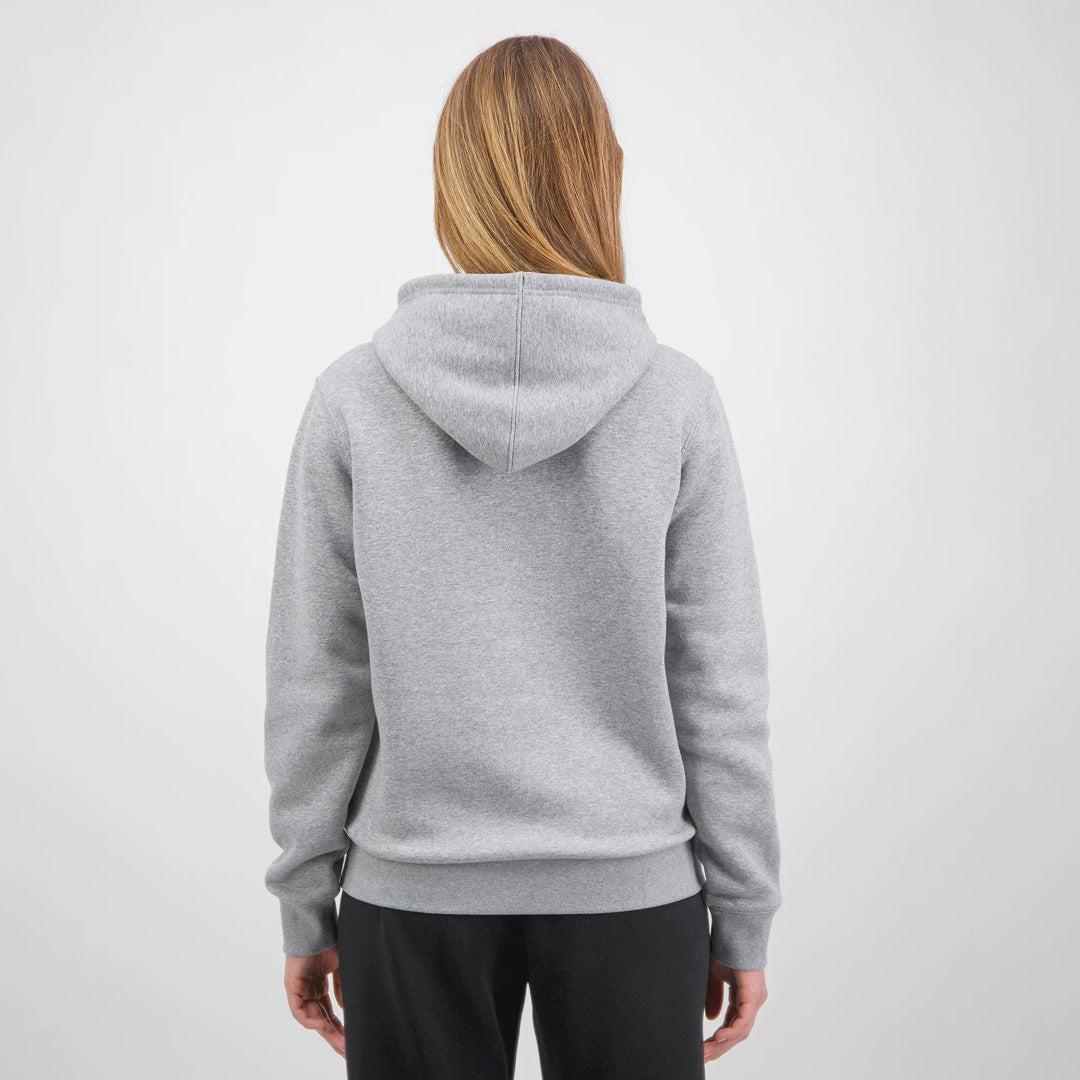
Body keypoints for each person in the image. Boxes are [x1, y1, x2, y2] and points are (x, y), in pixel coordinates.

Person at [263, 34, 782, 1080]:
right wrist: (743, 908)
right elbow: (717, 681)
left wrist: (305, 897)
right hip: (633, 894)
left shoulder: (355, 398)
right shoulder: (675, 399)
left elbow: (319, 678)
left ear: (453, 182)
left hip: (411, 895)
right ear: (602, 176)